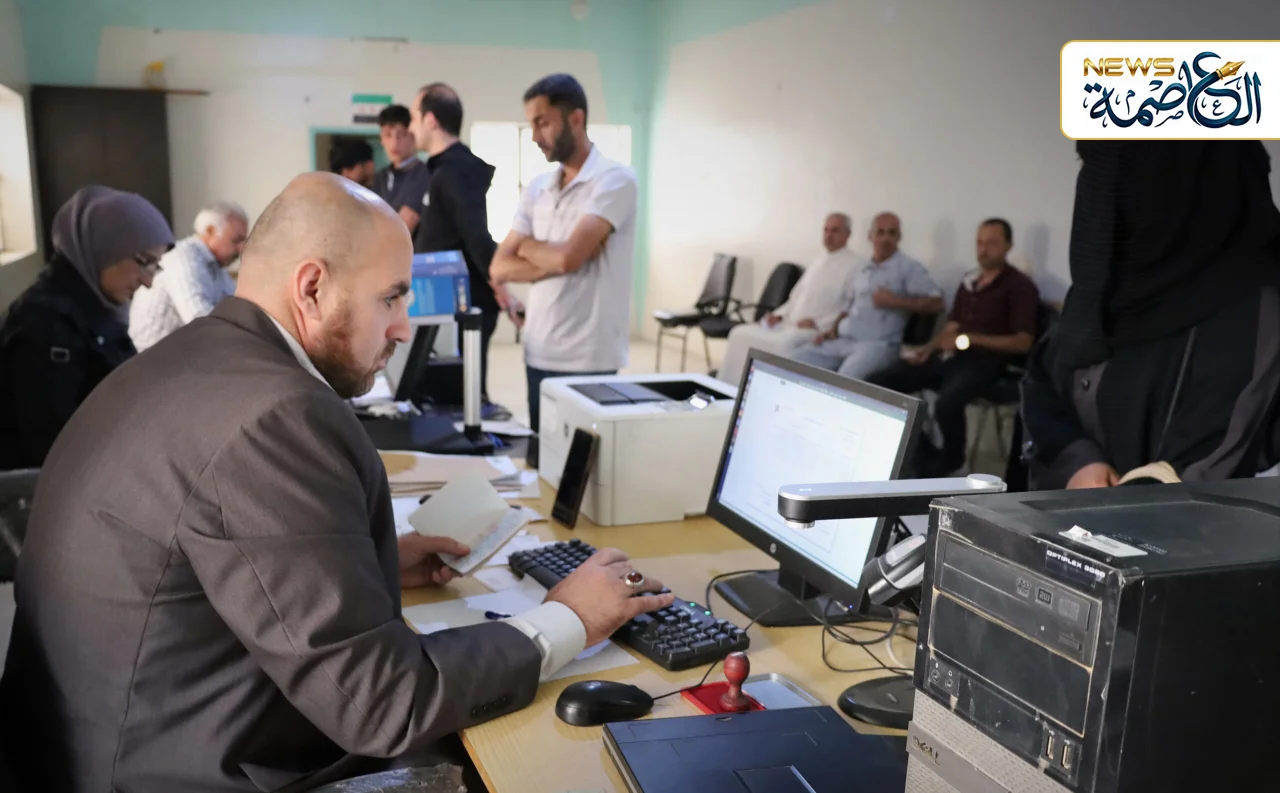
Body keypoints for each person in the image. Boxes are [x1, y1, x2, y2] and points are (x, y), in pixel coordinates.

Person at [0, 173, 674, 792]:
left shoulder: (193, 359)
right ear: (312, 287)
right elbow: (382, 704)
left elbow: (210, 548)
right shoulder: (276, 415)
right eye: (392, 297)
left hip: (89, 742)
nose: (404, 326)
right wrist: (569, 618)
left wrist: (365, 559)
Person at [1020, 141, 1280, 490]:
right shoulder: (1105, 286)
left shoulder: (1253, 309)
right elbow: (1042, 382)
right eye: (1090, 164)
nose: (1103, 187)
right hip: (1060, 513)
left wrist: (1101, 506)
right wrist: (1077, 460)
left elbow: (1207, 463)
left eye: (1127, 167)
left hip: (1168, 522)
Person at [490, 73, 638, 433]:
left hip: (589, 357)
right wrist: (556, 257)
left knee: (584, 463)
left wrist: (527, 247)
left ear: (576, 118)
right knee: (541, 451)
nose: (535, 136)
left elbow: (568, 257)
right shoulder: (537, 188)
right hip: (538, 348)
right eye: (531, 125)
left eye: (543, 123)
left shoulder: (615, 180)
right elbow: (500, 266)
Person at [0, 186, 173, 471]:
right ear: (104, 248)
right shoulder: (47, 323)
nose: (148, 281)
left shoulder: (97, 308)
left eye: (156, 266)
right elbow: (50, 448)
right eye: (144, 262)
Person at [868, 218, 1040, 477]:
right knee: (881, 383)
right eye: (979, 242)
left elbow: (1023, 341)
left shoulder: (1019, 286)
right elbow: (951, 327)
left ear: (1008, 246)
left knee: (946, 404)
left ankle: (951, 463)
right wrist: (928, 349)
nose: (983, 249)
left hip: (989, 363)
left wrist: (971, 339)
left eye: (991, 243)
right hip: (952, 358)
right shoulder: (970, 281)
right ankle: (921, 455)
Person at [409, 82, 508, 399]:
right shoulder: (442, 170)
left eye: (414, 118)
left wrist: (503, 289)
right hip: (443, 301)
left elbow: (477, 237)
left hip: (465, 304)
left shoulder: (456, 170)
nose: (411, 128)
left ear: (430, 120)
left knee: (464, 395)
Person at [792, 212, 943, 380]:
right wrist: (832, 330)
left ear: (899, 237)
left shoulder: (909, 268)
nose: (886, 238)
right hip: (844, 339)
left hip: (878, 345)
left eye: (892, 233)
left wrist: (896, 301)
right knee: (794, 362)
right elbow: (848, 307)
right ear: (870, 236)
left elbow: (937, 303)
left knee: (845, 380)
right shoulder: (861, 268)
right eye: (880, 232)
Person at [716, 213, 861, 384]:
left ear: (847, 234)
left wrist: (819, 325)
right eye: (826, 230)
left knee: (785, 344)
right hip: (789, 323)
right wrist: (778, 315)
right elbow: (795, 297)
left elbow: (850, 307)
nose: (828, 235)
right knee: (739, 333)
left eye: (835, 231)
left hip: (815, 331)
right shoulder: (817, 262)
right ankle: (728, 388)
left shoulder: (855, 265)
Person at [129, 200, 248, 351]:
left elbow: (237, 309)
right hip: (152, 356)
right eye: (236, 240)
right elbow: (198, 319)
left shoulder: (217, 267)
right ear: (210, 231)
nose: (241, 249)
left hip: (180, 354)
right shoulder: (182, 257)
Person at [373, 104, 431, 233]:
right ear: (381, 139)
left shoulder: (424, 174)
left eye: (402, 135)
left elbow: (405, 225)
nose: (395, 143)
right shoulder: (380, 177)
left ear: (413, 137)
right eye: (388, 135)